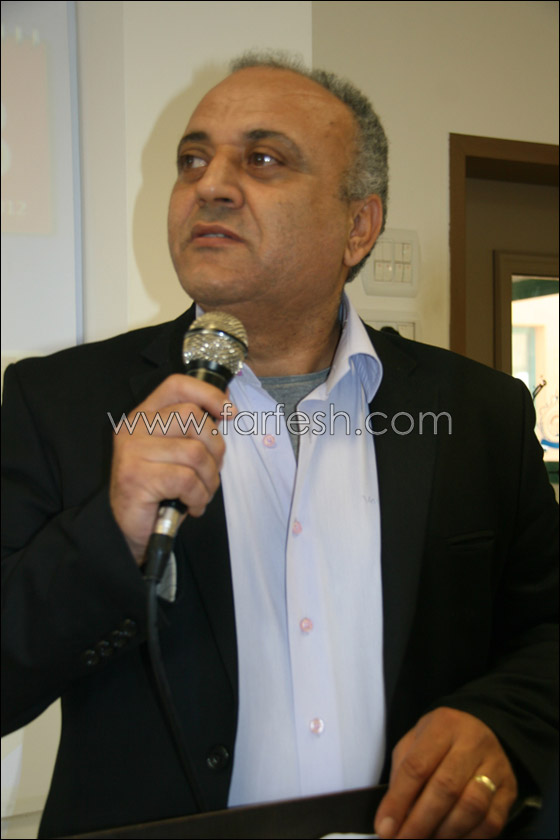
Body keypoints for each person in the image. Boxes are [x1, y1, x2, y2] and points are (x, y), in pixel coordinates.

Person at [1, 53, 558, 840]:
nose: (211, 185)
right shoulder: (60, 402)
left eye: (263, 159)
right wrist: (110, 535)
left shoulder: (478, 411)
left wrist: (502, 723)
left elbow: (547, 631)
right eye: (192, 159)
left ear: (358, 227)